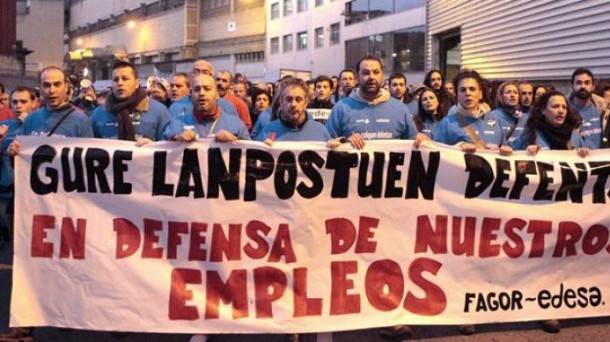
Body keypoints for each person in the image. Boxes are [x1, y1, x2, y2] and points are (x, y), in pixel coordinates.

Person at [326, 55, 418, 154]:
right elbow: (325, 145)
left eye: (376, 72)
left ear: (382, 75)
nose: (371, 77)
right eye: (366, 73)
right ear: (357, 77)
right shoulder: (341, 108)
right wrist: (344, 143)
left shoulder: (400, 109)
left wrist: (422, 141)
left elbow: (415, 146)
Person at [91, 61, 172, 143]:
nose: (120, 83)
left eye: (125, 79)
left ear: (137, 83)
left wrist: (153, 146)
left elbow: (169, 145)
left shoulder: (158, 111)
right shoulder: (99, 114)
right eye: (116, 80)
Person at [434, 69, 510, 156]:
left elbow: (505, 148)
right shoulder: (446, 124)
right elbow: (436, 156)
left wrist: (503, 150)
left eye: (472, 89)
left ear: (480, 93)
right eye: (463, 90)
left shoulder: (495, 119)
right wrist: (457, 148)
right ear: (457, 95)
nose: (467, 93)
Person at [0, 87, 37, 249]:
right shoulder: (3, 125)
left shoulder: (37, 124)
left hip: (32, 188)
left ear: (34, 103)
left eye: (23, 102)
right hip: (7, 187)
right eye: (14, 102)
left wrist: (27, 126)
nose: (18, 106)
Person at [173, 73, 250, 142]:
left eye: (207, 89)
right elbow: (162, 149)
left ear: (217, 95)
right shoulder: (177, 122)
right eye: (197, 90)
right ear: (190, 95)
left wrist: (236, 141)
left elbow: (251, 152)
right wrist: (176, 140)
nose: (201, 93)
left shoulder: (235, 124)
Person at [512, 91, 587, 159]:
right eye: (555, 106)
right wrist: (526, 154)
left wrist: (585, 154)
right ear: (543, 110)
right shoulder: (529, 134)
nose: (561, 111)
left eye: (564, 107)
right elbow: (511, 156)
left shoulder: (574, 136)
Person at [258, 77, 331, 143]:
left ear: (305, 103)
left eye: (298, 100)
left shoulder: (320, 131)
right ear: (281, 102)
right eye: (288, 99)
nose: (293, 104)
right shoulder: (267, 131)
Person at [568, 68, 610, 149]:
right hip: (574, 159)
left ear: (593, 87)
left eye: (587, 83)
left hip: (601, 158)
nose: (583, 86)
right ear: (572, 86)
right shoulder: (564, 110)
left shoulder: (604, 109)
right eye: (578, 83)